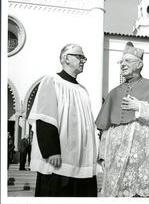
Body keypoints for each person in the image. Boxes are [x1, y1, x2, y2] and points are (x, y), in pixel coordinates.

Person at [96, 42, 149, 197]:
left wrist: (140, 107)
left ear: (139, 64)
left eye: (127, 61)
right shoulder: (113, 93)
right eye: (121, 62)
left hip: (142, 158)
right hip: (115, 157)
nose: (122, 64)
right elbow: (106, 128)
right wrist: (103, 155)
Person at [28, 44, 98, 197]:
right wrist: (51, 151)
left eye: (84, 58)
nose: (83, 61)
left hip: (82, 160)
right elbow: (45, 117)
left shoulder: (83, 90)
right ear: (66, 58)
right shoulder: (52, 81)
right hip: (59, 160)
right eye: (80, 56)